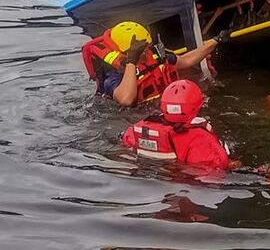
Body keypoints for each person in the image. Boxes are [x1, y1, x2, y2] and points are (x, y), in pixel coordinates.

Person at [81, 21, 225, 106]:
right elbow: (126, 99)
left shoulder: (154, 56)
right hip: (136, 116)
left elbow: (186, 60)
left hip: (162, 106)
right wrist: (132, 60)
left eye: (146, 49)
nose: (145, 53)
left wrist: (215, 41)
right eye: (139, 51)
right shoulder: (113, 76)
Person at [121, 80, 230, 171]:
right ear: (198, 106)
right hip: (179, 179)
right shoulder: (199, 137)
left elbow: (126, 145)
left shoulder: (137, 129)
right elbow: (216, 168)